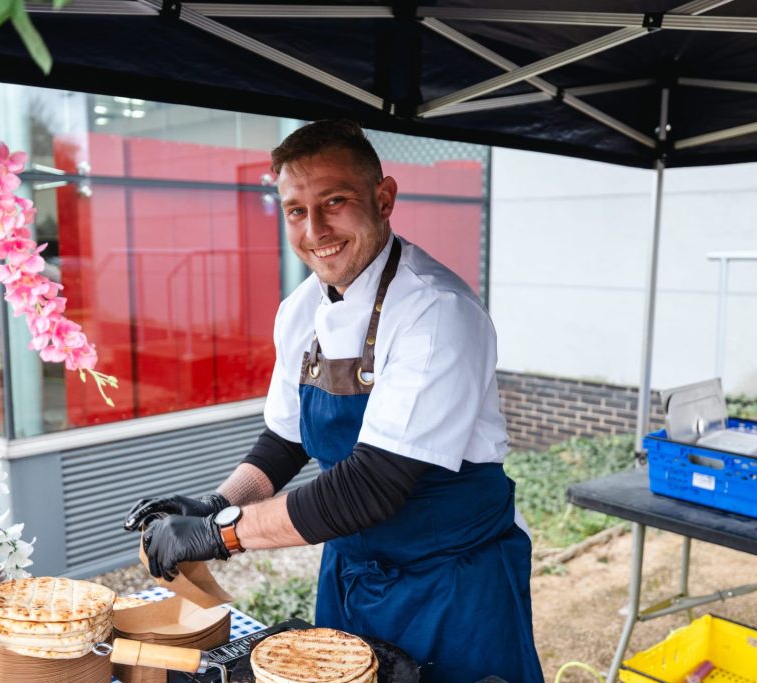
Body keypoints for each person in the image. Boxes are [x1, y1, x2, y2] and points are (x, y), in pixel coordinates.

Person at [123, 120, 543, 683]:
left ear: (384, 198)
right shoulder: (300, 310)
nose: (315, 228)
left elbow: (372, 484)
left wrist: (220, 533)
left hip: (452, 584)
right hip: (351, 570)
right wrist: (214, 502)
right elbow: (285, 440)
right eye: (296, 210)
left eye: (335, 202)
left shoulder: (437, 312)